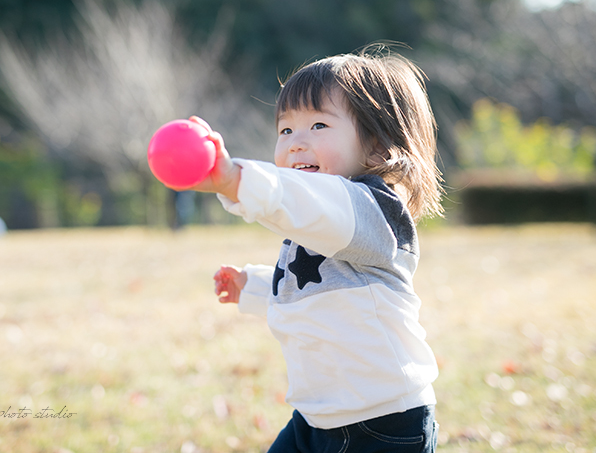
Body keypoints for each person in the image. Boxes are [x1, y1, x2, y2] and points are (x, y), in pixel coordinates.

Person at [187, 46, 443, 452]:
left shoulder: (371, 212)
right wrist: (251, 287)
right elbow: (311, 288)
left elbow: (301, 202)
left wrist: (234, 178)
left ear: (376, 146)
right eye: (286, 129)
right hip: (315, 419)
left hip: (384, 423)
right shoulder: (320, 224)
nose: (295, 143)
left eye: (319, 125)